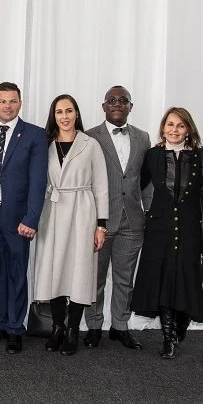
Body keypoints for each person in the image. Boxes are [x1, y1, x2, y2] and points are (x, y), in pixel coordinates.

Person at [33, 94, 109, 355]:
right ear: (53, 116)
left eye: (69, 110)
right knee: (54, 271)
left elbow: (101, 186)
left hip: (82, 212)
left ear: (77, 113)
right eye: (59, 112)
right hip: (52, 211)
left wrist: (101, 226)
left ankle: (73, 330)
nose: (64, 116)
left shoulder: (91, 145)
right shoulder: (45, 144)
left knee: (79, 272)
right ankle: (57, 328)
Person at [0, 82, 48, 353]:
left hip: (18, 217)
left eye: (13, 101)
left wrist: (31, 218)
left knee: (17, 272)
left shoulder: (34, 135)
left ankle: (15, 329)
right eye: (3, 101)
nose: (8, 106)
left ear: (20, 103)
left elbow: (38, 180)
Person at [131, 107, 203, 359]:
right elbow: (136, 186)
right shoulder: (153, 155)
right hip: (159, 229)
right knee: (163, 279)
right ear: (163, 127)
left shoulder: (200, 157)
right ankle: (168, 337)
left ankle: (180, 326)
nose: (174, 130)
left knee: (185, 279)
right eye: (170, 124)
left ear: (188, 130)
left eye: (180, 126)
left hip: (190, 229)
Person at [83, 86, 151, 350]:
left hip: (133, 222)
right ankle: (94, 326)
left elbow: (146, 181)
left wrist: (149, 213)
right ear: (103, 106)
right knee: (95, 279)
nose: (117, 104)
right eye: (112, 100)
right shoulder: (89, 137)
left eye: (123, 101)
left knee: (125, 279)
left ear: (130, 107)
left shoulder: (143, 138)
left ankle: (120, 327)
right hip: (100, 221)